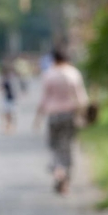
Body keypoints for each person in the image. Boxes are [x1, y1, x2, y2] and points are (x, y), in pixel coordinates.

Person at [34, 47, 89, 195]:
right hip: (69, 115)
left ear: (54, 59)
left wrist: (38, 118)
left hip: (53, 116)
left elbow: (44, 99)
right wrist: (83, 115)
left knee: (55, 146)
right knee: (67, 146)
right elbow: (81, 98)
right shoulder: (73, 73)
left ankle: (58, 169)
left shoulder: (49, 74)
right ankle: (65, 179)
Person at [0, 56, 18, 133]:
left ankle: (10, 127)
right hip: (8, 97)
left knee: (10, 113)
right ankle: (8, 126)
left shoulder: (10, 78)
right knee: (7, 113)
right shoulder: (7, 78)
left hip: (11, 98)